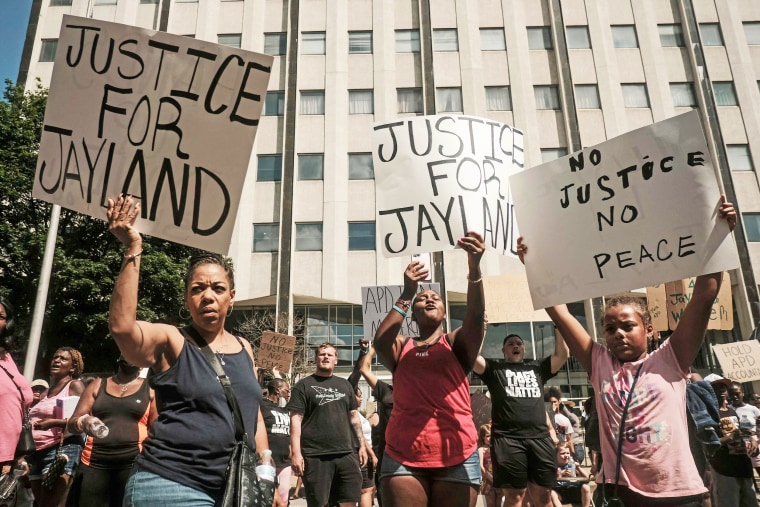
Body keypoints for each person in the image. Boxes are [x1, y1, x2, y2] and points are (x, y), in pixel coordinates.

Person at [519, 196, 737, 506]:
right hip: (622, 495)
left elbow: (704, 294)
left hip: (677, 494)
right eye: (609, 329)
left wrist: (720, 236)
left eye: (627, 326)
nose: (617, 334)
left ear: (649, 330)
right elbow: (560, 313)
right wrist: (534, 264)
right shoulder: (598, 363)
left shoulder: (671, 358)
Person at [106, 194, 276, 506]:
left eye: (218, 288)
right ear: (187, 300)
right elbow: (122, 329)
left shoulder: (246, 349)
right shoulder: (172, 340)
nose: (208, 296)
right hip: (170, 486)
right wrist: (133, 249)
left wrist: (266, 463)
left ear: (232, 297)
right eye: (197, 289)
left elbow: (253, 417)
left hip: (232, 489)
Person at [374, 231, 486, 507]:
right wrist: (407, 293)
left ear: (445, 313)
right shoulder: (402, 347)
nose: (429, 299)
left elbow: (474, 316)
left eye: (435, 297)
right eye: (422, 299)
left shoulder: (457, 344)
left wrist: (474, 268)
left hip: (458, 454)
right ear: (412, 314)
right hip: (403, 457)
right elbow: (380, 340)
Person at [472, 329, 569, 507]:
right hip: (508, 440)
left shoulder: (537, 369)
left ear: (524, 349)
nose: (515, 346)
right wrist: (482, 330)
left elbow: (562, 355)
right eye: (510, 344)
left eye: (519, 343)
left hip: (540, 439)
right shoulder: (495, 370)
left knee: (543, 497)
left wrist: (558, 327)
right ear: (503, 351)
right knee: (515, 496)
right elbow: (473, 357)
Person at [64, 354, 157, 507]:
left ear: (142, 364)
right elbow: (73, 424)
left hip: (132, 464)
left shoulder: (151, 388)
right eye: (126, 350)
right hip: (93, 463)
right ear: (119, 357)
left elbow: (155, 430)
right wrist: (83, 421)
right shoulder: (97, 385)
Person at [288, 343, 367, 507]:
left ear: (336, 360)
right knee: (319, 504)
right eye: (322, 354)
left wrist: (362, 446)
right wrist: (296, 453)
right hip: (316, 456)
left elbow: (354, 416)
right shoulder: (303, 385)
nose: (325, 357)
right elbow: (295, 420)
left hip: (346, 454)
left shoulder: (345, 385)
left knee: (349, 502)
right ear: (316, 359)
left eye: (330, 355)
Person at [27, 347, 85, 507]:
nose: (57, 360)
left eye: (63, 359)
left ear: (73, 367)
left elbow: (83, 419)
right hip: (36, 453)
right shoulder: (45, 392)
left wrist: (53, 422)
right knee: (42, 503)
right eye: (55, 357)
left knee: (53, 503)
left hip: (60, 451)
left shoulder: (75, 386)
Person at [350, 339, 394, 505]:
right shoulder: (386, 391)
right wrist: (373, 348)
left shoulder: (419, 391)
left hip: (416, 454)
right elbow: (363, 369)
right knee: (386, 495)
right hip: (388, 455)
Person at [707, 374, 758, 507]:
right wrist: (730, 438)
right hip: (725, 470)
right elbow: (709, 444)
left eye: (723, 387)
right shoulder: (708, 414)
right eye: (717, 387)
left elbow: (743, 433)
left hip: (743, 467)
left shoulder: (731, 411)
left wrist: (752, 441)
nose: (722, 390)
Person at [0, 296, 33, 486]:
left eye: (0, 316)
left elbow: (15, 408)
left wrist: (19, 456)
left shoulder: (6, 358)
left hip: (10, 458)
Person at [261, 378, 292, 506]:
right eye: (287, 390)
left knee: (283, 501)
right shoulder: (262, 405)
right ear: (278, 390)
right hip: (267, 462)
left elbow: (294, 404)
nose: (289, 393)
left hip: (284, 463)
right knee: (268, 499)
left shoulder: (284, 409)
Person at [354, 387, 378, 507]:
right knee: (366, 490)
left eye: (361, 395)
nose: (361, 398)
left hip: (363, 453)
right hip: (361, 453)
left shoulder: (357, 414)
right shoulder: (354, 415)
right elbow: (361, 437)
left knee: (367, 490)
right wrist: (372, 455)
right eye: (358, 395)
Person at [551, 441, 590, 507]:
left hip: (573, 489)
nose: (566, 455)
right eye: (562, 453)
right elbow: (548, 478)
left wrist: (578, 468)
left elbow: (587, 478)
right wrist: (561, 473)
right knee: (551, 493)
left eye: (568, 453)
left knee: (586, 487)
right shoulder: (553, 466)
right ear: (555, 455)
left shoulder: (572, 464)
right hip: (560, 492)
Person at [545, 388, 575, 458]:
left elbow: (569, 439)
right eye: (550, 403)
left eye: (554, 402)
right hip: (549, 450)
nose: (553, 404)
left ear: (559, 401)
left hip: (562, 452)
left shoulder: (565, 419)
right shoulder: (545, 418)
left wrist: (573, 455)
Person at [477, 424, 502, 507]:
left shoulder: (496, 448)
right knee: (490, 504)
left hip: (498, 481)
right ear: (482, 437)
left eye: (492, 435)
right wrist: (490, 477)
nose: (490, 438)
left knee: (499, 504)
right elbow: (480, 466)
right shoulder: (481, 449)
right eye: (487, 436)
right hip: (488, 482)